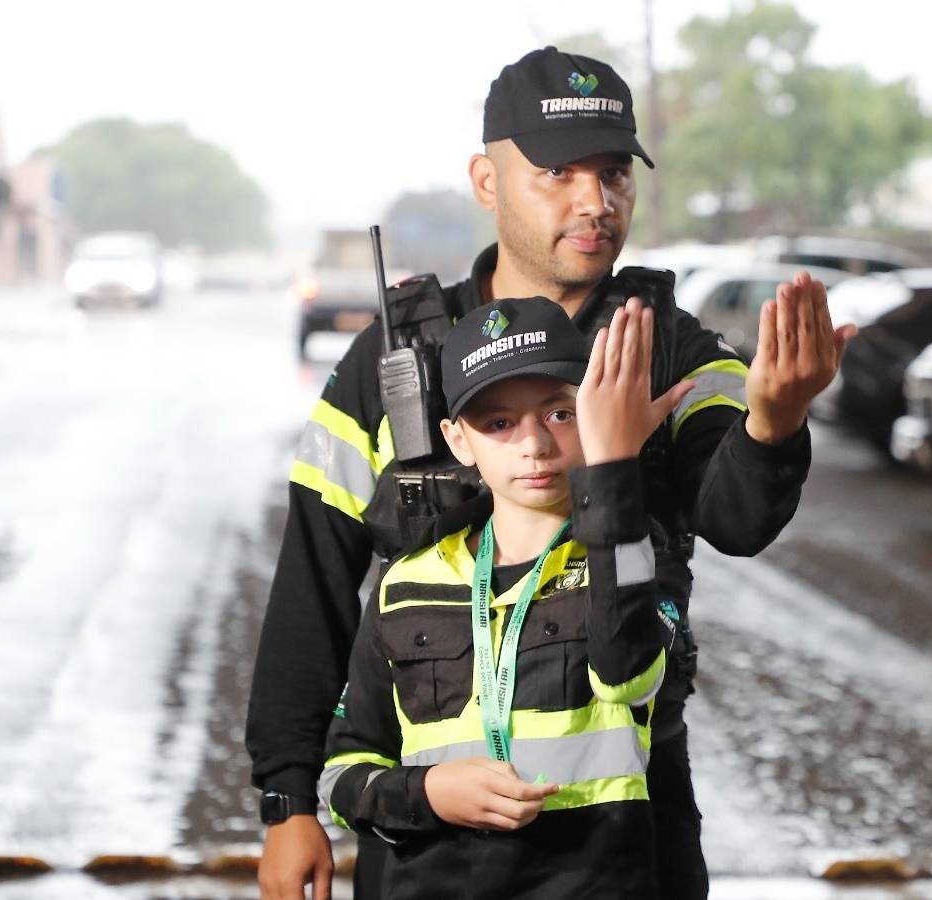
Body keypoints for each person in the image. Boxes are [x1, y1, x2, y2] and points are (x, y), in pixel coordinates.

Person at [247, 46, 854, 900]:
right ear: (487, 182)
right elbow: (312, 575)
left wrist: (776, 418)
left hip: (626, 829)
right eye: (558, 171)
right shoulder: (394, 361)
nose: (595, 202)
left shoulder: (672, 349)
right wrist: (287, 799)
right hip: (429, 842)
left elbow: (737, 519)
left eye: (614, 173)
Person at [321, 296, 683, 898]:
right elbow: (341, 774)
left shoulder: (631, 556)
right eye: (498, 424)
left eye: (561, 414)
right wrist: (430, 793)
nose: (534, 444)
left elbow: (627, 679)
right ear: (457, 440)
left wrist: (615, 464)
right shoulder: (405, 585)